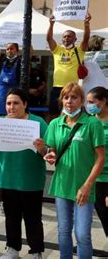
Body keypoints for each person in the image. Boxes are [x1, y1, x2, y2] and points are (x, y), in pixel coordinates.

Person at [43, 83, 105, 259]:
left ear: (82, 101)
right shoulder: (55, 123)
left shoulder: (92, 123)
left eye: (74, 97)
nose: (69, 101)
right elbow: (52, 149)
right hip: (62, 185)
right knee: (63, 232)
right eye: (66, 97)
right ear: (61, 100)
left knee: (83, 235)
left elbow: (101, 158)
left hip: (83, 188)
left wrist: (87, 185)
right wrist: (50, 154)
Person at [0, 88, 47, 259]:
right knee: (11, 217)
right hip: (7, 179)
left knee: (33, 218)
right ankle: (12, 249)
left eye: (16, 103)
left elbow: (48, 153)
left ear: (25, 104)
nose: (11, 107)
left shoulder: (38, 123)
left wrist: (42, 148)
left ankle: (36, 251)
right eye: (8, 103)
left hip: (30, 180)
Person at [46, 13, 91, 116]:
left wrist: (86, 25)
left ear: (75, 39)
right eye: (64, 36)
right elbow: (49, 39)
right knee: (53, 114)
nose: (66, 38)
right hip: (57, 87)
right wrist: (51, 24)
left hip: (72, 88)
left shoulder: (78, 50)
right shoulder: (57, 50)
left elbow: (86, 39)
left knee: (70, 114)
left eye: (69, 37)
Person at [86, 86, 108, 239]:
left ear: (103, 101)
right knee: (103, 215)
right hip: (94, 177)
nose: (88, 105)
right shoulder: (90, 122)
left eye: (91, 102)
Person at [0, 28, 23, 116]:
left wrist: (25, 35)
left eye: (11, 48)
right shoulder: (2, 59)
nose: (9, 51)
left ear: (17, 50)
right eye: (7, 49)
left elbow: (30, 52)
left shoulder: (21, 61)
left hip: (13, 95)